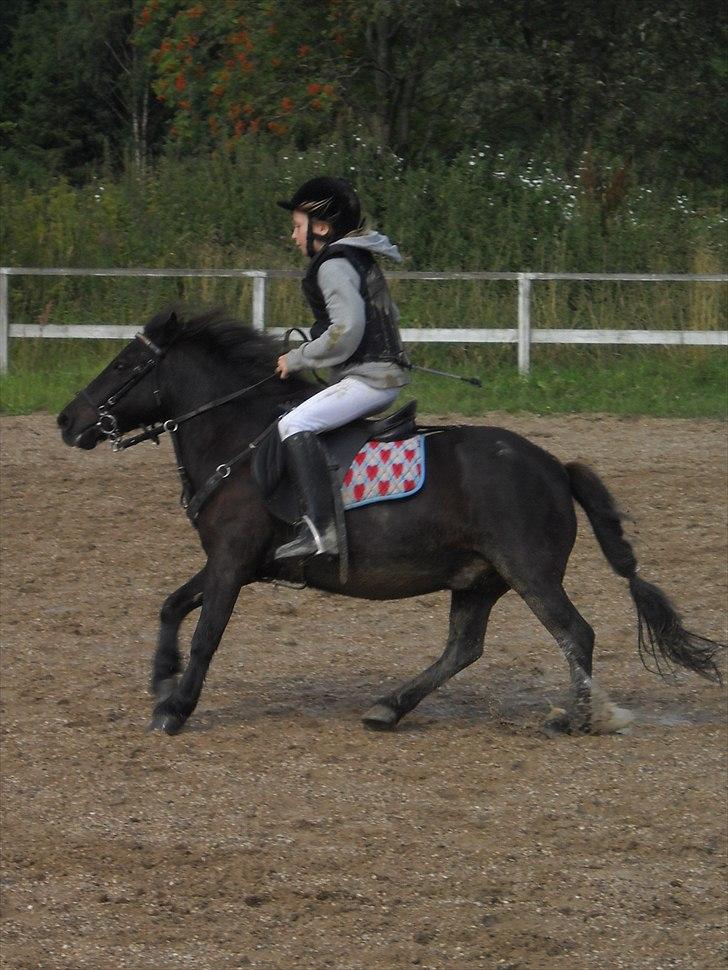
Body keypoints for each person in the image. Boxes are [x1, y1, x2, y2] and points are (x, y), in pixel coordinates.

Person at [274, 176, 410, 562]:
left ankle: (323, 532)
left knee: (293, 425)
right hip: (377, 376)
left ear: (321, 227)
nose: (294, 236)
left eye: (298, 227)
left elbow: (346, 330)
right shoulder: (356, 257)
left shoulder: (333, 264)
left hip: (370, 381)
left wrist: (297, 357)